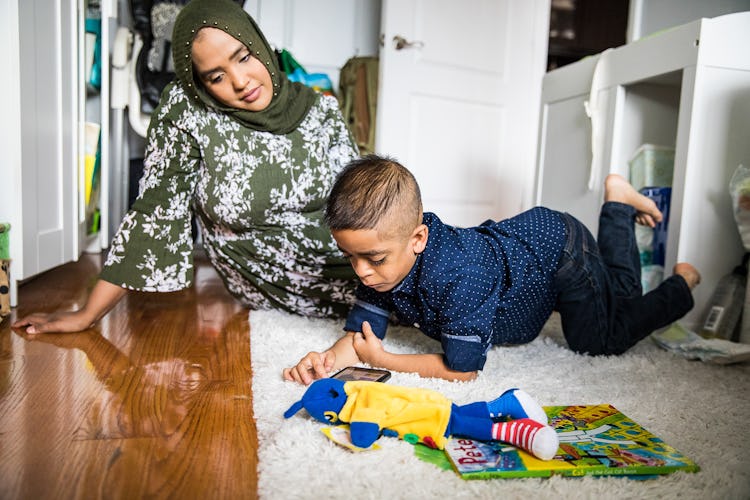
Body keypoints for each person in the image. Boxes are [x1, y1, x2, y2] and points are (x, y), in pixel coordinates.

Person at [13, 0, 358, 334]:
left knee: (406, 274)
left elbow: (363, 204)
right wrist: (87, 314)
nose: (240, 81)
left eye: (244, 57)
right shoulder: (189, 111)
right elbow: (155, 212)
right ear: (200, 83)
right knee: (394, 302)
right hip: (269, 276)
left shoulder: (319, 110)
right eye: (216, 76)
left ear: (260, 45)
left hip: (352, 259)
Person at [283, 154, 701, 384]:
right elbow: (360, 336)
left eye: (372, 260)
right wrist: (327, 359)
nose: (362, 273)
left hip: (561, 251)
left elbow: (462, 370)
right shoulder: (383, 258)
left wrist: (388, 359)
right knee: (616, 297)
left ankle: (681, 282)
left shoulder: (457, 277)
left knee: (601, 339)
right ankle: (619, 204)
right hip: (525, 246)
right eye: (350, 257)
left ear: (418, 239)